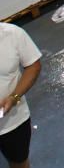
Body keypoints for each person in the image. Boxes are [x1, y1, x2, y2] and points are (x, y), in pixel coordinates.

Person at [0, 22, 42, 168]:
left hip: (12, 121)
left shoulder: (13, 34)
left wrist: (14, 97)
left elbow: (33, 66)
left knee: (19, 161)